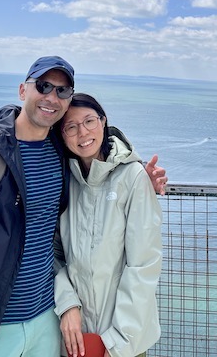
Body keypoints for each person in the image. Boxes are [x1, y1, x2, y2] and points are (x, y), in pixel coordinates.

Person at [0, 56, 167, 357]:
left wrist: (140, 178)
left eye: (62, 91)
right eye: (43, 86)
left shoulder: (59, 157)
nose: (52, 97)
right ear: (22, 90)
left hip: (48, 321)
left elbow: (65, 230)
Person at [54, 93, 162, 357]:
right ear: (62, 135)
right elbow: (53, 254)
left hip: (125, 341)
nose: (83, 133)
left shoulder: (133, 177)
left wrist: (116, 343)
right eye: (71, 126)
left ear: (103, 122)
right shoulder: (63, 180)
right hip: (75, 337)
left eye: (90, 121)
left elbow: (143, 266)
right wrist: (68, 304)